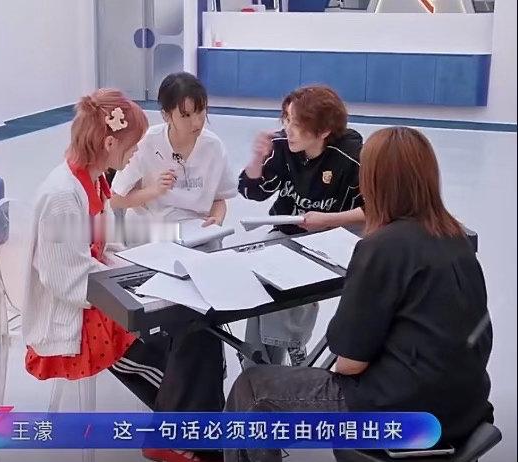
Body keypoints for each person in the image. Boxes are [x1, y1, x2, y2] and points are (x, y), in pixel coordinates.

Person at [223, 126, 494, 462]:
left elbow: (349, 363)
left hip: (403, 412)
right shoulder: (456, 238)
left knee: (252, 388)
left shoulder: (381, 247)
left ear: (375, 183)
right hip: (465, 406)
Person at [23, 89, 224, 462]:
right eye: (133, 146)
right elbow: (67, 280)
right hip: (80, 318)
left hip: (101, 293)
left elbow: (104, 246)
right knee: (186, 355)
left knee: (200, 327)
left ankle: (195, 435)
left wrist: (141, 270)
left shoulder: (93, 179)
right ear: (109, 142)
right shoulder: (62, 196)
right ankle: (180, 438)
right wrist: (137, 286)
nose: (137, 153)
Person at [238, 85, 364, 366]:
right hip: (290, 230)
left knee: (287, 275)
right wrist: (257, 158)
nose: (288, 129)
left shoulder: (351, 155)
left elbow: (374, 210)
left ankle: (267, 357)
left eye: (296, 123)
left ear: (324, 131)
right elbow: (251, 191)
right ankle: (268, 356)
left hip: (335, 237)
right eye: (286, 119)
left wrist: (327, 220)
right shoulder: (283, 145)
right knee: (261, 271)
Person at [111, 72, 238, 246]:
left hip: (197, 233)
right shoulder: (146, 143)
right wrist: (154, 191)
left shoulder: (213, 147)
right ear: (166, 115)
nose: (196, 122)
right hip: (152, 232)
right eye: (186, 115)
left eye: (200, 111)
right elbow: (116, 200)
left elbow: (218, 199)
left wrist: (216, 220)